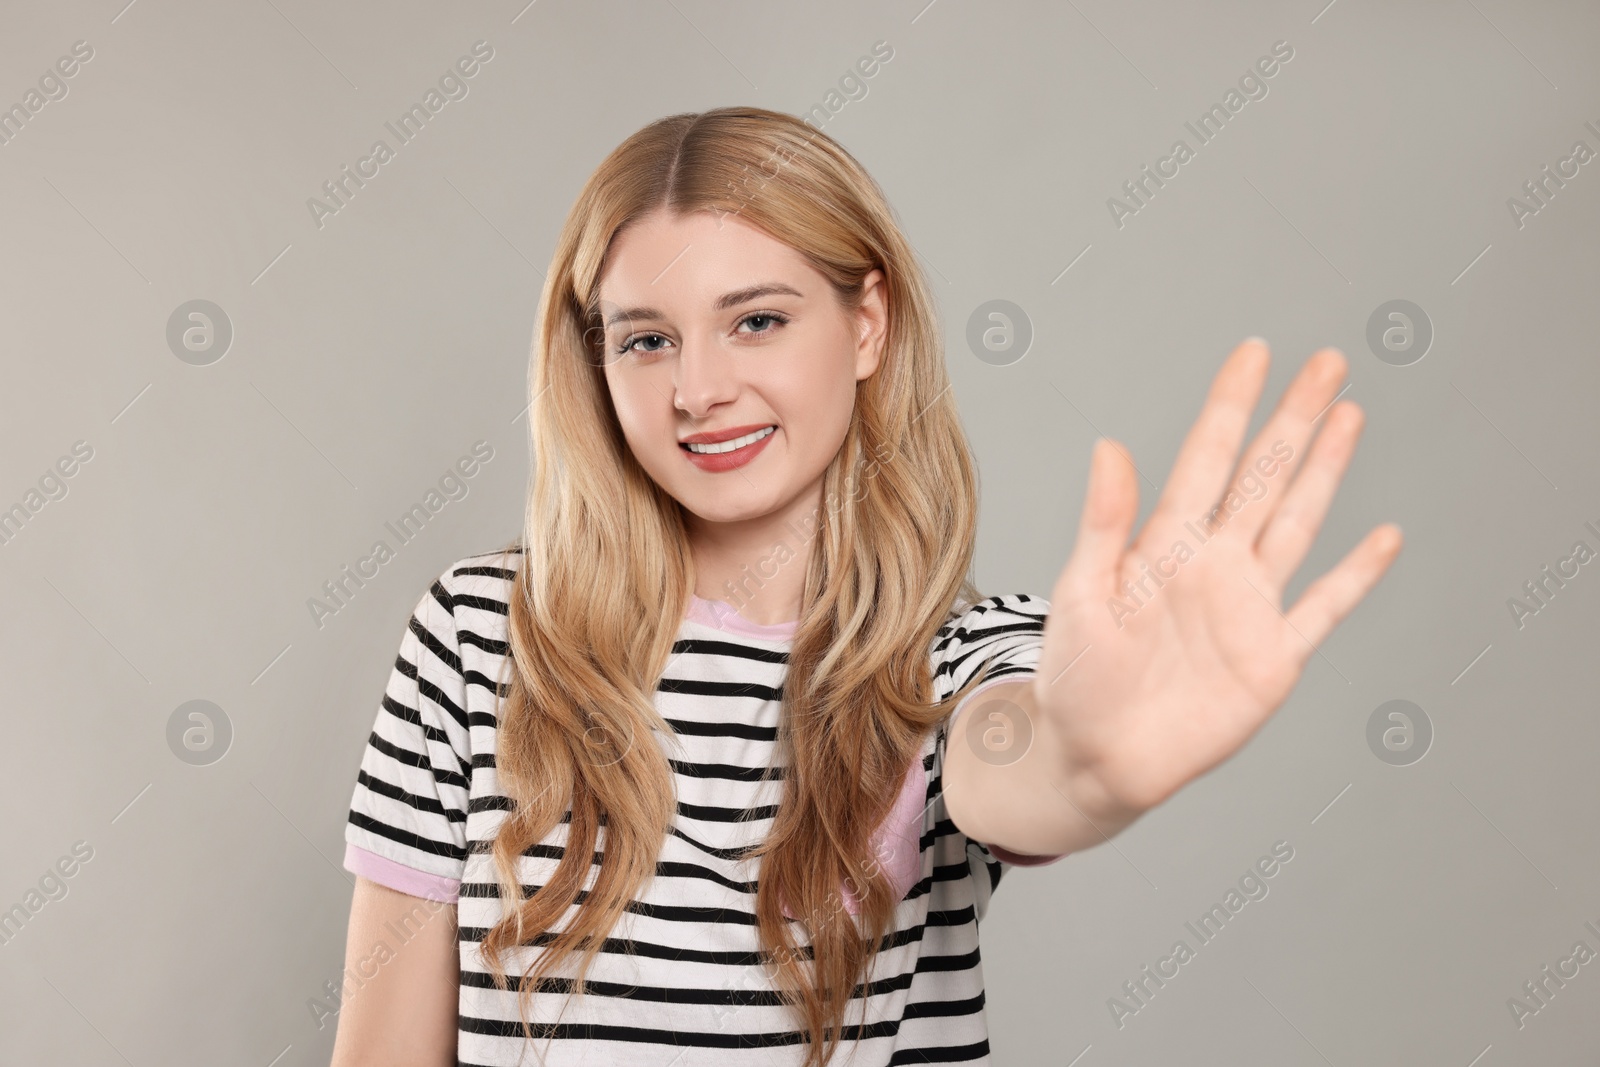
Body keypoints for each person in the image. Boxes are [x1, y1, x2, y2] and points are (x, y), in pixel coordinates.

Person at [327, 105, 1401, 1067]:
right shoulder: (478, 635)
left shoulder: (957, 656)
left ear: (868, 323)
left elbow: (1019, 758)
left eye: (756, 319)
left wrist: (1090, 758)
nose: (699, 388)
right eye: (647, 339)